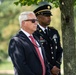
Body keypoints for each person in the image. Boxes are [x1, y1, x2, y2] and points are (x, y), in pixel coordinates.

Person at [33, 2, 63, 75]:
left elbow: (59, 50)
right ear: (38, 17)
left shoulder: (54, 32)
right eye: (46, 16)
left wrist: (57, 66)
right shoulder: (34, 33)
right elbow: (36, 54)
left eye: (49, 15)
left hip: (56, 71)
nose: (49, 18)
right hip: (43, 71)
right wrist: (50, 68)